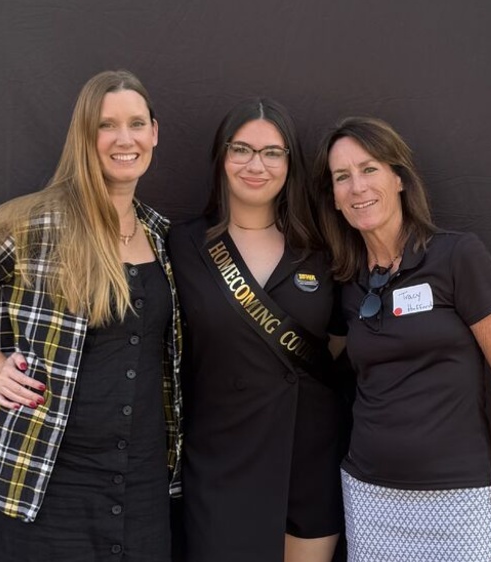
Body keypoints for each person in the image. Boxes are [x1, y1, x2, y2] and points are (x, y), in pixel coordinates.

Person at [0, 69, 181, 561]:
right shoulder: (34, 222)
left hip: (141, 480)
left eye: (137, 123)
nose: (125, 139)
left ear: (154, 132)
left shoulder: (162, 234)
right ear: (84, 136)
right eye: (106, 125)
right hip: (47, 478)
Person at [314, 117, 491, 562]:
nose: (357, 187)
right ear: (334, 198)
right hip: (369, 495)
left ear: (399, 178)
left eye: (369, 169)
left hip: (458, 497)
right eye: (342, 177)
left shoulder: (456, 256)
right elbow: (321, 363)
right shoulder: (345, 281)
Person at [169, 98, 346, 562]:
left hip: (308, 454)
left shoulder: (321, 248)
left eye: (272, 152)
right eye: (241, 149)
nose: (256, 165)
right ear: (221, 156)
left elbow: (340, 343)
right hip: (222, 459)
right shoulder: (182, 245)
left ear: (290, 163)